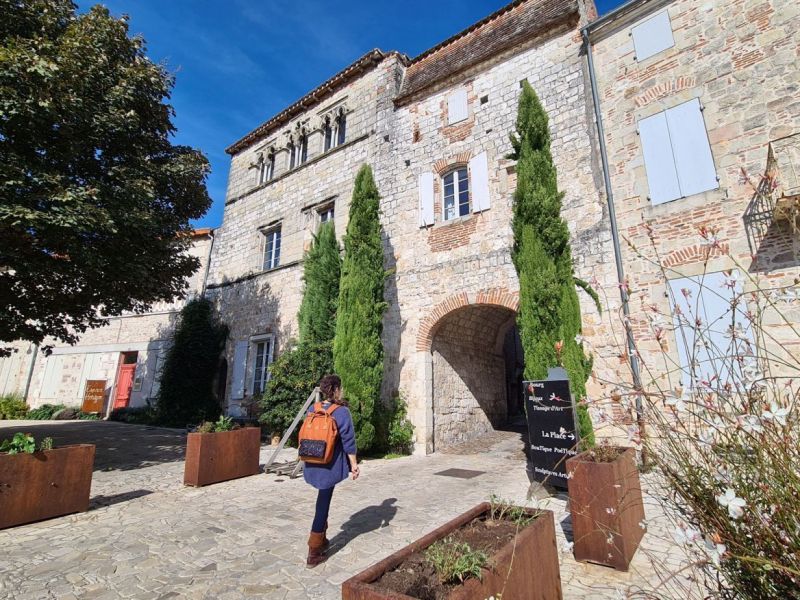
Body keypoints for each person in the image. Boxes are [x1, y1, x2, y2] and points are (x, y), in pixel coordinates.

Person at [303, 374, 359, 567]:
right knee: (323, 502)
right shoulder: (341, 412)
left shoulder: (313, 408)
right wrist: (354, 464)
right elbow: (348, 441)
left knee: (323, 498)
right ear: (336, 390)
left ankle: (322, 538)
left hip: (312, 461)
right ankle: (314, 550)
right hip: (328, 466)